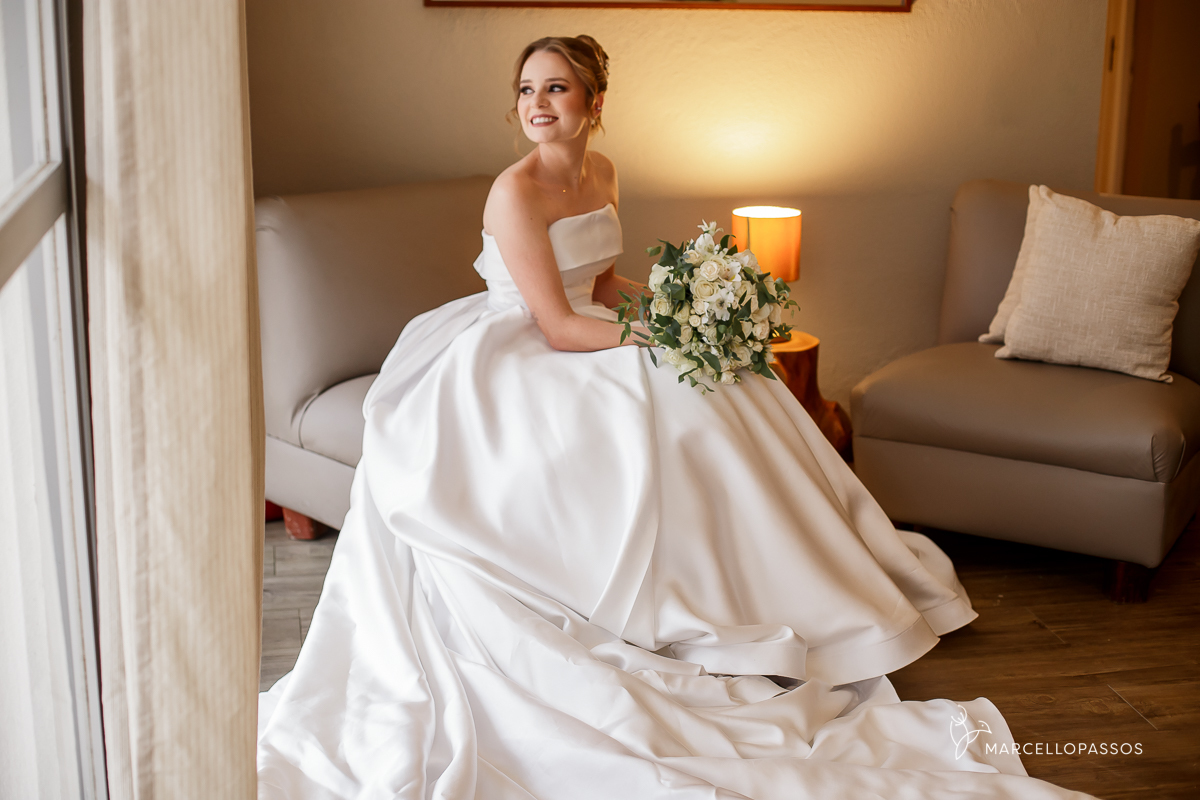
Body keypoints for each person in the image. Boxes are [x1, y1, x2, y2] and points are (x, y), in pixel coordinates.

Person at [257, 35, 1096, 800]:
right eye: (526, 90)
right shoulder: (514, 193)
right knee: (665, 390)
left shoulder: (603, 173)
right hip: (519, 346)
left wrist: (683, 307)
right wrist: (659, 340)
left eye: (556, 88)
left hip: (586, 323)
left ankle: (775, 587)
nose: (537, 104)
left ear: (593, 102)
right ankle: (666, 611)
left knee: (732, 381)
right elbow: (557, 323)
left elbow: (604, 283)